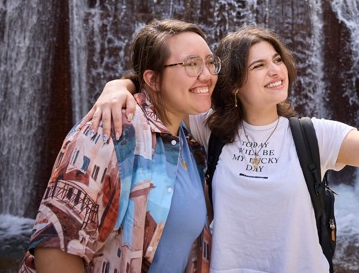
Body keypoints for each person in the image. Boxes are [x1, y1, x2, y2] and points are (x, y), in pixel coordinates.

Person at [83, 18, 359, 272]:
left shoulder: (315, 136)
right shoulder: (209, 129)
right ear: (235, 83)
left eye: (277, 60)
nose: (276, 70)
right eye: (259, 65)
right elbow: (162, 88)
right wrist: (117, 87)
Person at [19, 19, 221, 273]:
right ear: (153, 79)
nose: (207, 74)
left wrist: (120, 84)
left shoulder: (190, 143)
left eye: (211, 62)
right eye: (192, 64)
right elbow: (55, 247)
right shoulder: (109, 130)